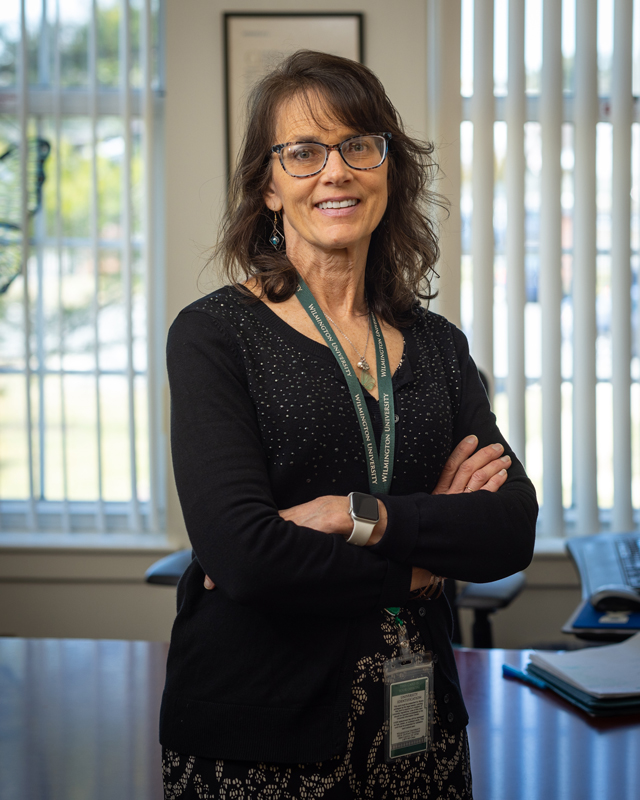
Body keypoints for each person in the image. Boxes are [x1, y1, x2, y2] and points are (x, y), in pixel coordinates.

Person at [160, 50, 537, 799]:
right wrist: (425, 561)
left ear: (387, 168)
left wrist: (352, 515)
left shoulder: (437, 346)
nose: (335, 172)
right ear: (268, 186)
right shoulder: (214, 336)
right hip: (259, 740)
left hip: (420, 735)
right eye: (302, 153)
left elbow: (508, 527)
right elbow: (245, 556)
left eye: (358, 145)